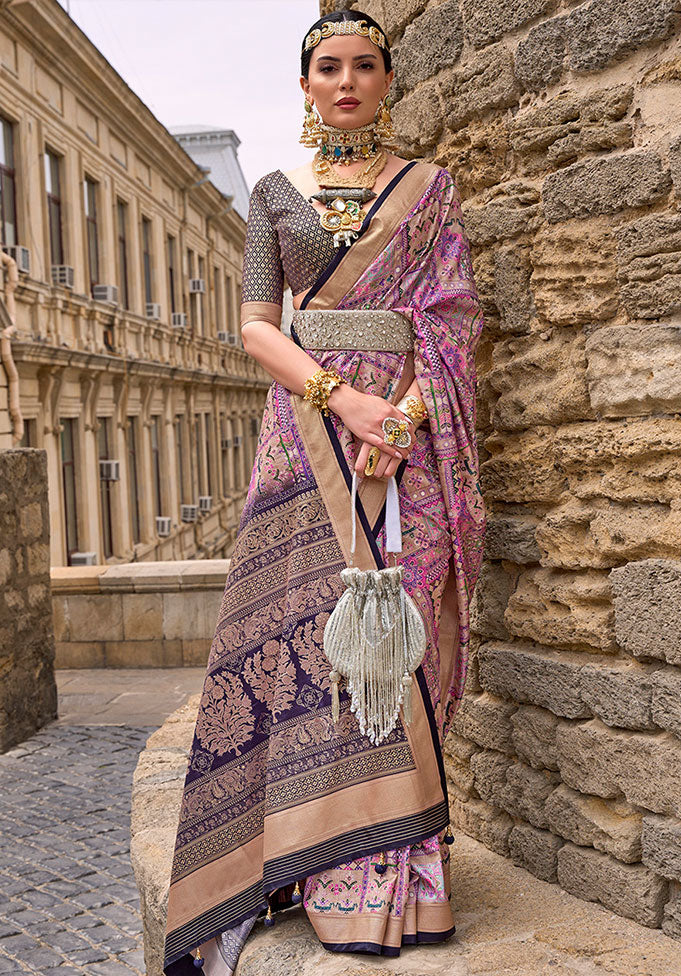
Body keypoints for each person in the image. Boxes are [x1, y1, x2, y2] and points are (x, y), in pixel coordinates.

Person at [162, 10, 486, 974]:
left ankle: (400, 876)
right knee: (305, 636)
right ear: (305, 83)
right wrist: (345, 404)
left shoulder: (429, 192)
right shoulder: (274, 193)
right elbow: (258, 327)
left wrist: (404, 419)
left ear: (390, 78)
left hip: (409, 441)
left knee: (404, 636)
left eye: (365, 65)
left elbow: (455, 320)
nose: (346, 81)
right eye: (328, 66)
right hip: (305, 438)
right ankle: (315, 864)